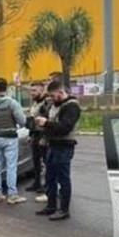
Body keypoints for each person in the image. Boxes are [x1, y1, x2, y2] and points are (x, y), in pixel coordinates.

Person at [34, 78, 81, 220]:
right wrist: (44, 135)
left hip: (64, 147)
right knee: (50, 178)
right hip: (52, 146)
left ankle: (64, 210)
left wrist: (46, 123)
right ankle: (51, 206)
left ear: (61, 92)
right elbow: (53, 125)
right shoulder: (54, 105)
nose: (52, 99)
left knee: (63, 179)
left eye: (54, 96)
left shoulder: (72, 107)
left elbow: (65, 127)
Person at [0, 78, 28, 204]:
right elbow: (22, 121)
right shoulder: (12, 103)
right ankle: (12, 194)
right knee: (11, 167)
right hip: (10, 138)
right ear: (7, 88)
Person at [25, 81, 49, 194]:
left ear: (42, 90)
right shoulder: (35, 103)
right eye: (31, 91)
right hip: (35, 134)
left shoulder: (46, 103)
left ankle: (48, 185)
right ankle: (37, 183)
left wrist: (44, 137)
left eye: (35, 90)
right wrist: (30, 135)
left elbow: (47, 121)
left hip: (43, 135)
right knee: (36, 161)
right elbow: (32, 121)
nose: (32, 93)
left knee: (46, 161)